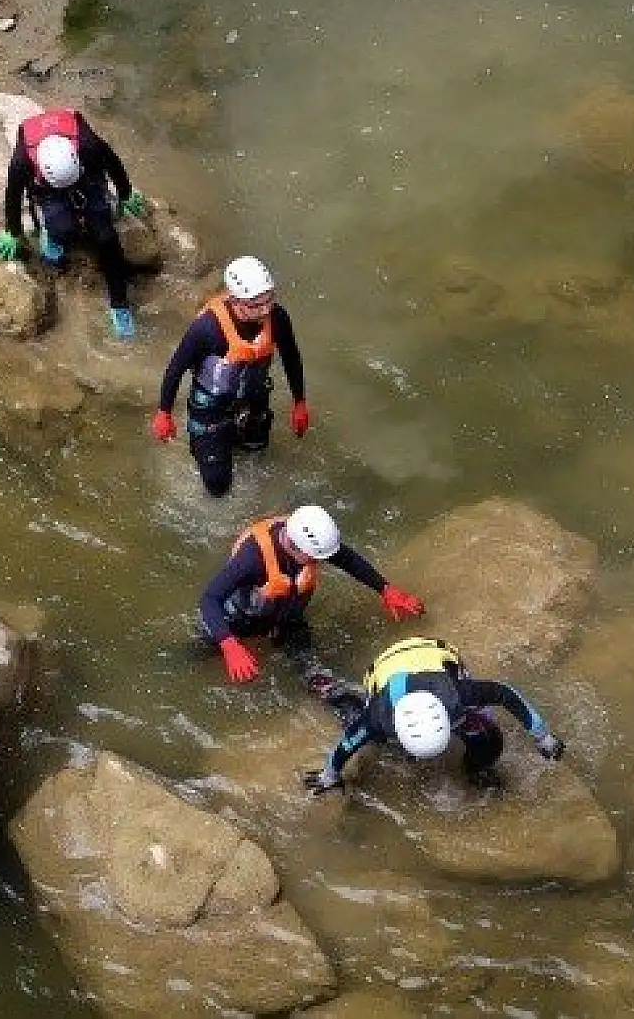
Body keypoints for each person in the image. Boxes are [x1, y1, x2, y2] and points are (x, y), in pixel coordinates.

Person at [198, 505, 425, 693]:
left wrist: (384, 589)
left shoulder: (308, 539)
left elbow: (347, 559)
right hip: (242, 615)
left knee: (312, 668)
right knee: (201, 654)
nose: (318, 563)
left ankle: (334, 694)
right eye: (315, 558)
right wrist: (228, 644)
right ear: (293, 545)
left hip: (288, 615)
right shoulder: (252, 558)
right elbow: (209, 598)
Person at [303, 636, 567, 794]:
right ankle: (333, 691)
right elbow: (347, 744)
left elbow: (506, 693)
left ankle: (476, 771)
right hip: (384, 666)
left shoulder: (459, 695)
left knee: (488, 739)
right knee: (375, 741)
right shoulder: (377, 717)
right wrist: (329, 776)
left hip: (436, 652)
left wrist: (543, 736)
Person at [151, 256, 307, 497]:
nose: (265, 310)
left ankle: (237, 437)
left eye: (269, 300)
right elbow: (175, 369)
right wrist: (164, 413)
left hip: (254, 397)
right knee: (217, 486)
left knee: (257, 454)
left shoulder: (276, 318)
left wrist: (299, 402)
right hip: (210, 405)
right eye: (256, 304)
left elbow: (291, 358)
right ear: (235, 301)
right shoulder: (207, 329)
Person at [0, 108, 149, 340]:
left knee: (106, 237)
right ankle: (52, 232)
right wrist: (14, 232)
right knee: (62, 228)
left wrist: (124, 193)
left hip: (84, 177)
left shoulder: (88, 145)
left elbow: (113, 162)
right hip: (48, 188)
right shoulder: (23, 161)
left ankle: (120, 306)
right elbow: (13, 195)